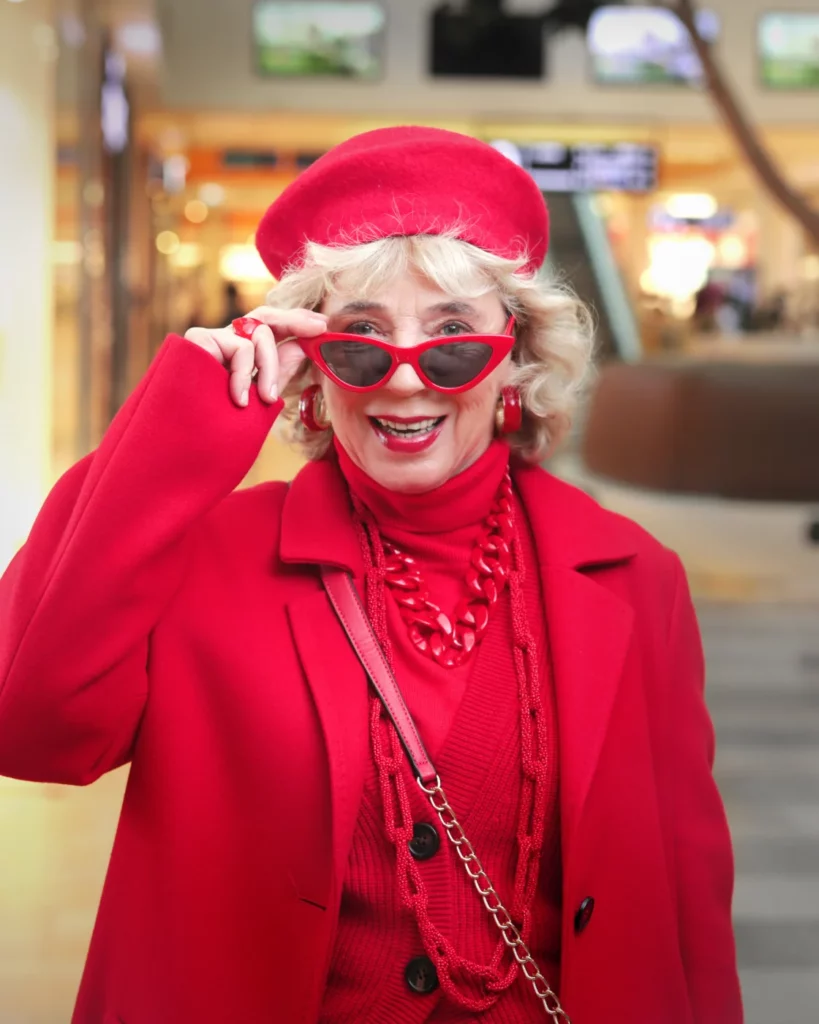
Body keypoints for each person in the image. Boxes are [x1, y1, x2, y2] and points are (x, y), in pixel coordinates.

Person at [0, 127, 742, 1024]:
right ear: (310, 368)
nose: (403, 382)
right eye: (358, 341)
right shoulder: (208, 559)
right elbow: (29, 727)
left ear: (514, 358)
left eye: (452, 339)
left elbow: (687, 896)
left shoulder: (634, 579)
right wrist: (171, 431)